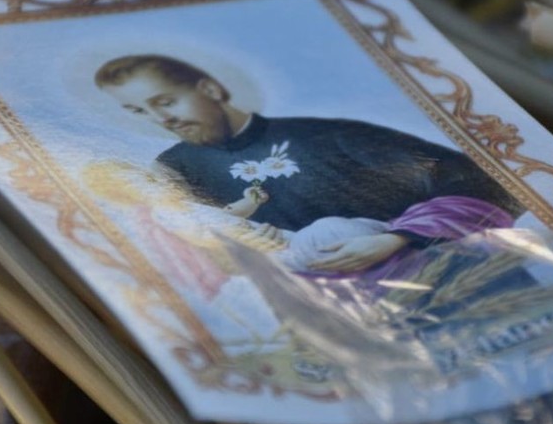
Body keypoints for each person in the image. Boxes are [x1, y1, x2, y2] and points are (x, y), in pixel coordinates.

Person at [94, 54, 524, 273]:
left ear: (210, 88)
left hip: (442, 281)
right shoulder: (172, 171)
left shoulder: (328, 134)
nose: (161, 120)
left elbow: (484, 182)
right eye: (140, 113)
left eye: (165, 101)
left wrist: (399, 240)